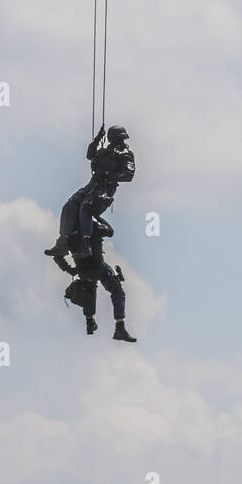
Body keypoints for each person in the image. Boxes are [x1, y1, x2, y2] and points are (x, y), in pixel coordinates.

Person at [45, 125, 135, 264]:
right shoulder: (105, 151)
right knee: (70, 206)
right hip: (92, 184)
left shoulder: (125, 154)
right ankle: (63, 242)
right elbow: (90, 155)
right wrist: (97, 139)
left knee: (86, 208)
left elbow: (128, 175)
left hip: (105, 187)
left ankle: (85, 244)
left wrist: (106, 174)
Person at [55, 214, 136, 341]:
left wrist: (71, 270)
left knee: (89, 287)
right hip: (99, 269)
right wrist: (98, 217)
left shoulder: (68, 234)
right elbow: (110, 231)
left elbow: (57, 255)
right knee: (117, 290)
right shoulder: (94, 227)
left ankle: (89, 323)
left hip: (83, 273)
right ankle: (119, 328)